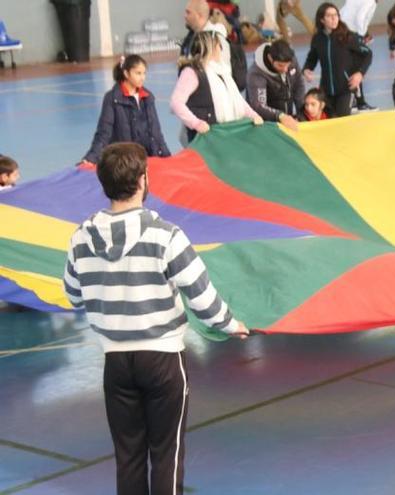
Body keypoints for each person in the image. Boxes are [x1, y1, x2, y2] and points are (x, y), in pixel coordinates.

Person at [62, 142, 249, 495]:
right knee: (166, 453)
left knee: (128, 455)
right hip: (162, 360)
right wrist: (231, 324)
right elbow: (201, 296)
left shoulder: (81, 238)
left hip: (116, 362)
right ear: (144, 180)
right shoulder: (167, 235)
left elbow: (73, 294)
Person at [171, 30, 264, 142]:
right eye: (219, 46)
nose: (221, 49)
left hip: (225, 134)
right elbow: (176, 103)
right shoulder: (192, 73)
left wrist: (253, 115)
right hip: (205, 138)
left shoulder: (222, 71)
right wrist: (196, 123)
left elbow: (236, 99)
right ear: (210, 48)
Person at [82, 55, 170, 167]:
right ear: (126, 74)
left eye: (144, 73)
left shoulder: (148, 97)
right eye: (138, 73)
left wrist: (167, 156)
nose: (142, 77)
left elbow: (156, 131)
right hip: (125, 163)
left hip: (149, 159)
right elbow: (104, 132)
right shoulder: (112, 98)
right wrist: (92, 157)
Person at [303, 2, 373, 117]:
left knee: (342, 121)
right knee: (327, 121)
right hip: (325, 91)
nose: (334, 18)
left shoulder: (349, 37)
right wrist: (306, 69)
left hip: (345, 90)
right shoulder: (317, 39)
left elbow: (368, 54)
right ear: (322, 20)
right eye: (329, 16)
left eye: (336, 15)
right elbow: (312, 58)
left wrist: (360, 74)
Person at [181, 0, 247, 91]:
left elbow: (224, 72)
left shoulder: (214, 38)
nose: (185, 16)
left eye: (188, 12)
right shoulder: (191, 39)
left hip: (214, 95)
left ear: (199, 15)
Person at [246, 39, 304, 130]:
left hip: (287, 119)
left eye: (287, 65)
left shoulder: (291, 59)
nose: (285, 69)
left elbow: (299, 84)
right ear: (270, 58)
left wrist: (301, 112)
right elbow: (259, 105)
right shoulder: (256, 74)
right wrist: (280, 116)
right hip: (267, 124)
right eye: (280, 65)